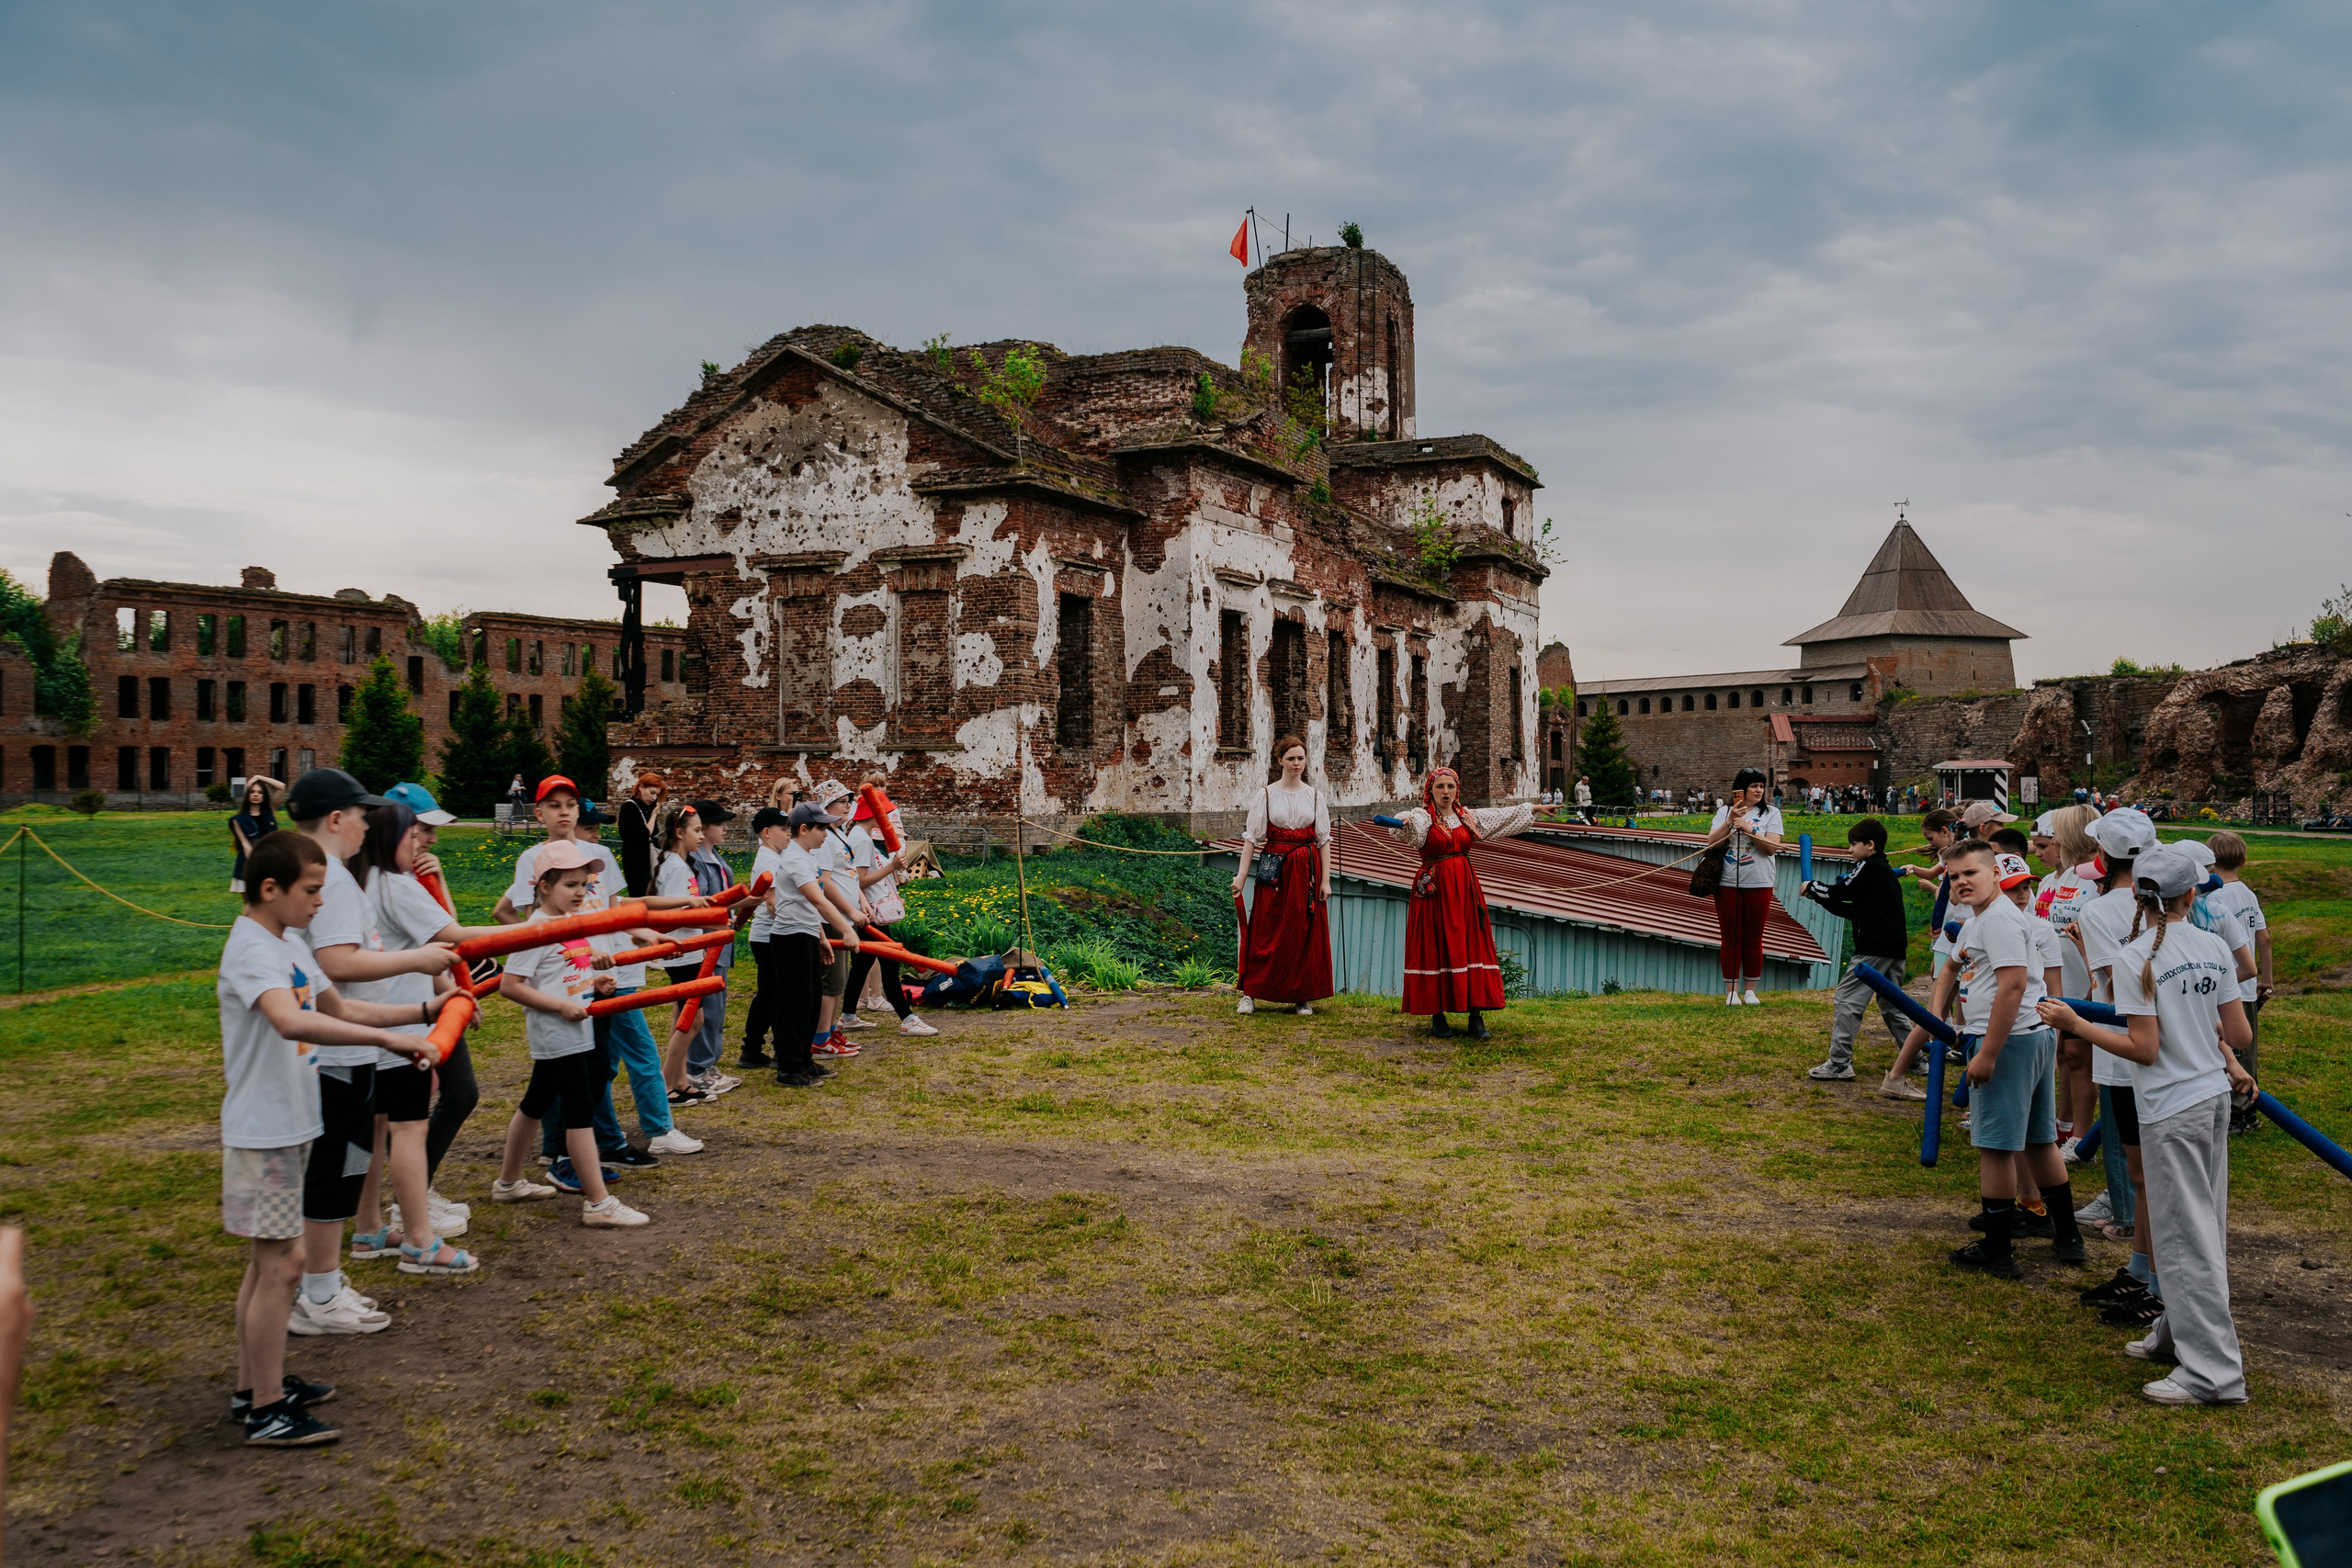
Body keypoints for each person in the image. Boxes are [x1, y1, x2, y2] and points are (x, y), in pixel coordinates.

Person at [218, 829, 448, 1445]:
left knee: (266, 1265)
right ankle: (267, 1408)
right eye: (311, 890)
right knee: (284, 1264)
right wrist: (389, 1043)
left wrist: (422, 1015)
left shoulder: (289, 941)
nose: (322, 902)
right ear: (270, 889)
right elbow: (290, 1019)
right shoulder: (252, 949)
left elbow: (343, 1010)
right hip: (262, 1131)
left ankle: (253, 1388)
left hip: (291, 1125)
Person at [2040, 842, 2256, 1404]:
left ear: (2139, 894)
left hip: (2171, 1106)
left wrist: (2074, 1022)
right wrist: (2222, 1058)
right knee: (2201, 1223)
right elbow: (2239, 1035)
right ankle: (2175, 1334)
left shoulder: (2138, 957)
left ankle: (2212, 1374)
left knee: (2184, 1235)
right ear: (2191, 895)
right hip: (2209, 1099)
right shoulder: (2211, 945)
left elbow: (2142, 1047)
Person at [286, 768, 454, 1338]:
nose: (367, 822)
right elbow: (336, 964)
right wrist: (416, 963)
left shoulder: (339, 877)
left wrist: (411, 1019)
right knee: (336, 1167)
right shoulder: (330, 879)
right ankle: (319, 1292)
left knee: (351, 1161)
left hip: (355, 1047)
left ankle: (326, 1281)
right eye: (361, 813)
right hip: (336, 1053)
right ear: (337, 820)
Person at [494, 776, 704, 1179]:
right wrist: (547, 957)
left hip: (605, 972)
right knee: (593, 1067)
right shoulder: (533, 859)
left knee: (590, 1068)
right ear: (538, 813)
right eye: (554, 806)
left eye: (570, 805)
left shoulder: (597, 855)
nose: (564, 813)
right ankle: (599, 1146)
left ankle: (562, 1148)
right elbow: (525, 920)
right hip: (573, 979)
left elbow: (613, 910)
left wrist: (643, 932)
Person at [341, 801, 480, 1279]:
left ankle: (368, 1227)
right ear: (390, 839)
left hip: (376, 1027)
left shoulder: (361, 883)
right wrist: (538, 928)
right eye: (412, 834)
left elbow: (428, 948)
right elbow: (455, 936)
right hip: (400, 1031)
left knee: (377, 1131)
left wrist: (449, 989)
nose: (420, 842)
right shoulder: (396, 884)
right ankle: (419, 1241)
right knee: (408, 1130)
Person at [1939, 839, 2083, 1278]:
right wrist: (1938, 1016)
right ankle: (2068, 1237)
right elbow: (1954, 969)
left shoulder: (1999, 920)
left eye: (1972, 873)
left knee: (1995, 1146)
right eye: (1954, 876)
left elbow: (2014, 986)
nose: (1962, 882)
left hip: (2009, 1042)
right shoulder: (1978, 921)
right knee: (2040, 1140)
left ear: (1995, 875)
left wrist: (1988, 1054)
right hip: (2029, 1039)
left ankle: (1999, 1250)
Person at [489, 841, 650, 1228]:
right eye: (570, 884)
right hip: (557, 1032)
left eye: (585, 884)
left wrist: (596, 982)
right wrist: (560, 1007)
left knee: (535, 1103)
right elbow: (510, 985)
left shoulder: (567, 925)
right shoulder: (536, 929)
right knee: (579, 1112)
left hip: (574, 1030)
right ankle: (598, 1203)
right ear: (544, 886)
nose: (581, 892)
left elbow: (563, 974)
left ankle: (508, 1182)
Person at [2071, 807, 2160, 1316]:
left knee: (2141, 1171)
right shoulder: (2157, 903)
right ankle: (2140, 1267)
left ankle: (2148, 1275)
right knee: (2146, 1172)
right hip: (2155, 1044)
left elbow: (2111, 983)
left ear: (2102, 858)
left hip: (2121, 1043)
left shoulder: (2099, 910)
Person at [379, 781, 477, 1236]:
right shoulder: (392, 885)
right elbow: (457, 938)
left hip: (428, 1004)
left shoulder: (408, 881)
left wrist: (458, 992)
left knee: (453, 1098)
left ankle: (415, 1194)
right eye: (422, 829)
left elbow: (443, 938)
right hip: (405, 1012)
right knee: (408, 1118)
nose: (432, 839)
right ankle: (407, 1206)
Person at [1385, 765, 1536, 1040]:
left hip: (1465, 887)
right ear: (1430, 790)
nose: (1445, 791)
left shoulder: (1466, 816)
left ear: (1457, 790)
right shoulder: (1424, 817)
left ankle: (1476, 1016)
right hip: (1434, 888)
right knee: (1436, 943)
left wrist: (1536, 809)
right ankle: (1437, 1015)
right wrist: (1402, 821)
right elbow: (1409, 821)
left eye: (1450, 786)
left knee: (1470, 943)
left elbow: (1500, 816)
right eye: (1440, 786)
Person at [760, 802, 865, 1086]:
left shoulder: (807, 857)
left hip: (805, 934)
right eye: (822, 828)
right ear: (804, 829)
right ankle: (789, 1067)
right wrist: (846, 929)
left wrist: (821, 938)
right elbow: (817, 900)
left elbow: (808, 908)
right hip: (789, 938)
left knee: (809, 1002)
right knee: (794, 1004)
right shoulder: (794, 859)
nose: (827, 834)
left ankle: (803, 1060)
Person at [1231, 736, 1335, 1018]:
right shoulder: (1265, 796)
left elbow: (1323, 840)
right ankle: (1250, 993)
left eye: (1300, 758)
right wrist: (1241, 877)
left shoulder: (1315, 796)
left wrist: (1325, 880)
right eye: (1291, 758)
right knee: (1264, 927)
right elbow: (1252, 839)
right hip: (1274, 868)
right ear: (1280, 761)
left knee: (1302, 932)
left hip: (1306, 871)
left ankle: (1301, 996)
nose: (1296, 764)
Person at [1802, 818, 1910, 1084]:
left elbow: (1841, 891)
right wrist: (1818, 896)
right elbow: (1852, 909)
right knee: (1891, 1005)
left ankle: (1839, 1063)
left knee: (1847, 1000)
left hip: (1873, 948)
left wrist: (1813, 886)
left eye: (1853, 844)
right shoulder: (1881, 871)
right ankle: (1916, 1057)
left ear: (1869, 845)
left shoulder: (1868, 867)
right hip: (1893, 947)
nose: (1849, 850)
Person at [2033, 806, 2104, 1164]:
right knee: (2063, 1054)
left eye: (2057, 835)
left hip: (2086, 981)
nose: (2047, 845)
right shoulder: (2054, 880)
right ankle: (2064, 1123)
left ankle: (2081, 1136)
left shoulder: (2093, 880)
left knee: (2080, 1056)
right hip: (2057, 982)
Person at [842, 778, 937, 1038]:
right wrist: (892, 868)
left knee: (861, 964)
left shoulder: (861, 836)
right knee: (891, 963)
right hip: (870, 913)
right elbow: (859, 880)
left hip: (870, 911)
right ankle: (908, 1019)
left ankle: (848, 1015)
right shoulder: (861, 839)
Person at [2202, 832, 2272, 1134]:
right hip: (2247, 983)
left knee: (2228, 1050)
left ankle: (2236, 1113)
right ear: (2243, 860)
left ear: (2209, 863)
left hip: (2226, 988)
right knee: (2248, 1050)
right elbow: (2264, 937)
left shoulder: (2214, 900)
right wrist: (2265, 978)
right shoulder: (2246, 893)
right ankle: (2250, 1111)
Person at [1705, 768, 1785, 1005]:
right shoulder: (1723, 811)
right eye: (1753, 786)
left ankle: (1750, 991)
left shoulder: (1772, 813)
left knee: (1753, 938)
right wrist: (1730, 821)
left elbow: (1771, 848)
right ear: (1740, 789)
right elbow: (1711, 842)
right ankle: (1731, 992)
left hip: (1759, 881)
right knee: (1731, 938)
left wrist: (1749, 829)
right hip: (1727, 882)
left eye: (1761, 786)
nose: (1759, 790)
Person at [229, 775, 285, 893]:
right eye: (252, 791)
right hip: (248, 866)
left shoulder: (270, 812)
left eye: (260, 792)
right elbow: (246, 846)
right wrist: (257, 868)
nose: (256, 794)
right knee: (250, 906)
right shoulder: (238, 820)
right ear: (247, 794)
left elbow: (281, 787)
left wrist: (258, 777)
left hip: (271, 864)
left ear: (263, 796)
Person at [617, 771, 665, 898]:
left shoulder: (647, 809)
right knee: (641, 896)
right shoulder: (630, 807)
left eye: (657, 795)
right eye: (652, 793)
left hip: (647, 858)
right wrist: (655, 814)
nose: (654, 798)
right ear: (641, 787)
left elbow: (654, 833)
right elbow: (644, 834)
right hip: (635, 860)